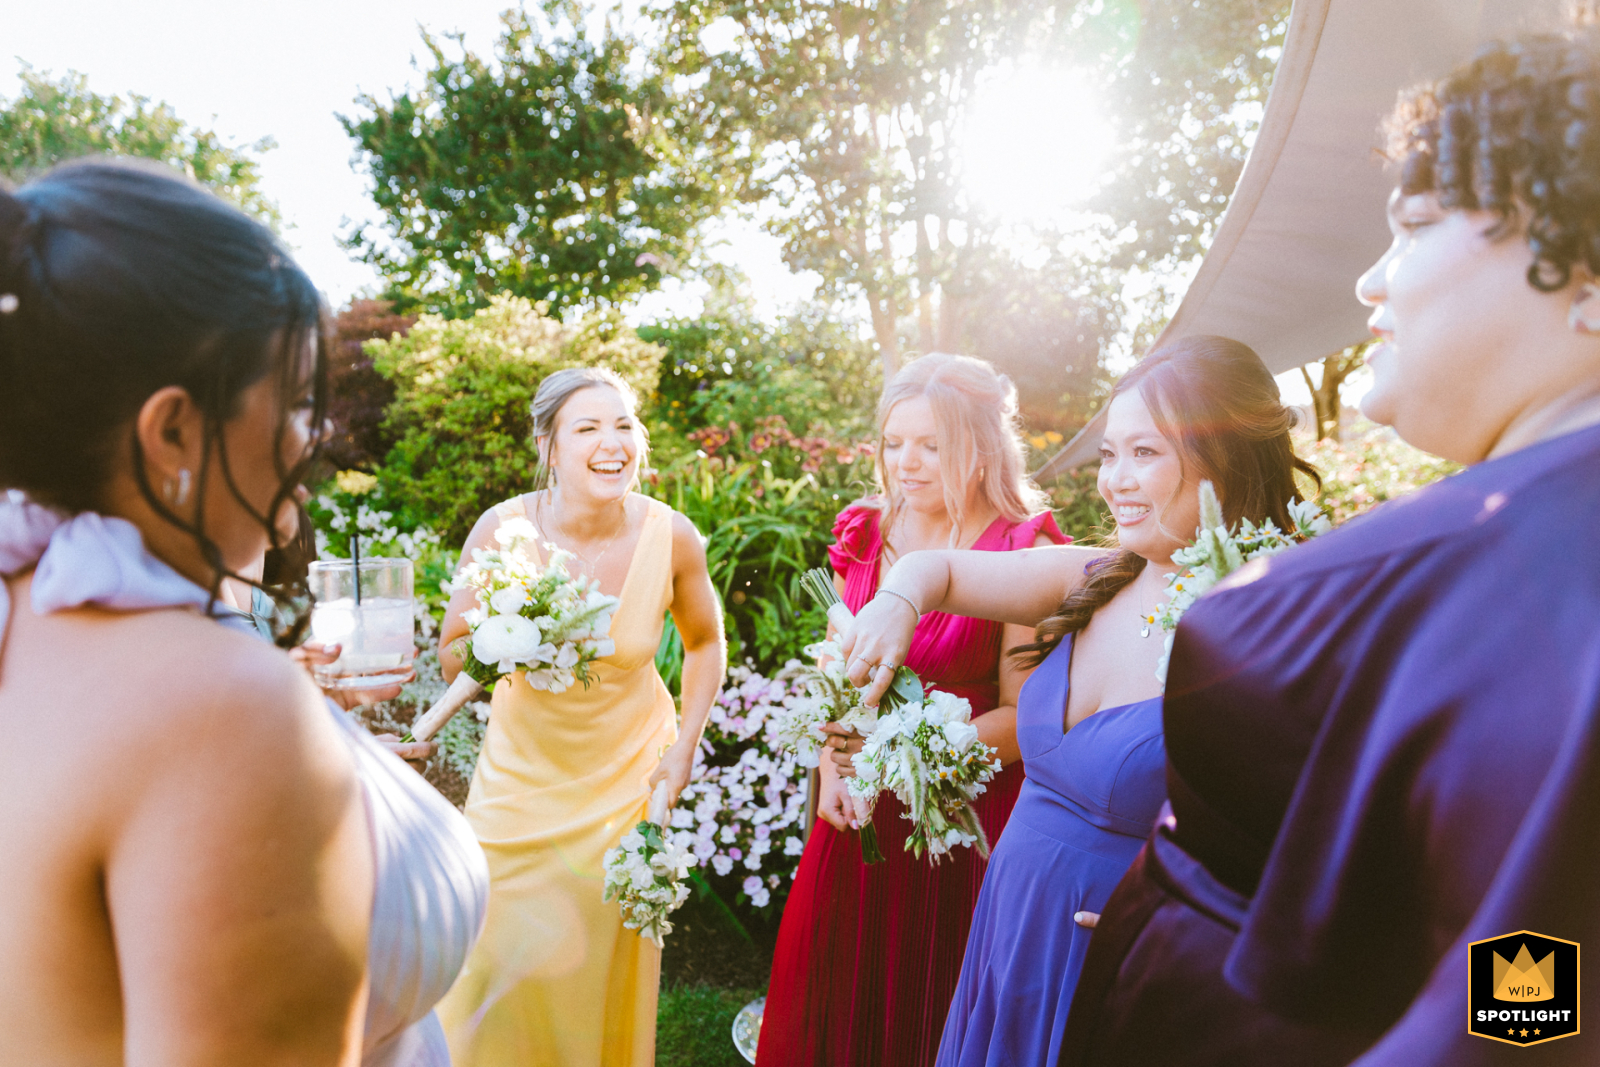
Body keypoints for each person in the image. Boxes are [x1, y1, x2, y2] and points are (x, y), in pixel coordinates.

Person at [1058, 21, 1600, 1067]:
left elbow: (1526, 1007)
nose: (1370, 281)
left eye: (1421, 221)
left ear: (1586, 272)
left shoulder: (1551, 586)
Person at [0, 158, 486, 1067]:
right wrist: (276, 727)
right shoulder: (220, 710)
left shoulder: (31, 623)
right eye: (297, 400)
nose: (316, 436)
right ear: (173, 429)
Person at [837, 339, 1318, 1067]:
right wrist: (899, 599)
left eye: (1145, 453)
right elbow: (936, 568)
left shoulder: (1274, 623)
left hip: (1123, 959)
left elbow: (1307, 840)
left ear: (1228, 457)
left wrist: (1186, 926)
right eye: (1109, 455)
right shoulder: (1095, 577)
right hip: (1011, 924)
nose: (1116, 482)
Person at [755, 352, 1068, 1067]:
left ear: (983, 446)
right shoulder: (864, 532)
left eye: (932, 444)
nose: (907, 463)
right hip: (858, 811)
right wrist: (832, 769)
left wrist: (913, 755)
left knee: (932, 1010)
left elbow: (1025, 714)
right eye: (894, 443)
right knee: (837, 1005)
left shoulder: (1024, 547)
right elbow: (840, 667)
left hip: (960, 823)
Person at [433, 366, 726, 1067]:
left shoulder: (671, 534)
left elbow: (705, 641)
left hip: (624, 793)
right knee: (485, 971)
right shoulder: (501, 530)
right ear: (550, 444)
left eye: (624, 424)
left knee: (593, 977)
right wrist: (516, 633)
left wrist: (686, 742)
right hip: (517, 791)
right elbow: (452, 656)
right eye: (588, 426)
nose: (611, 442)